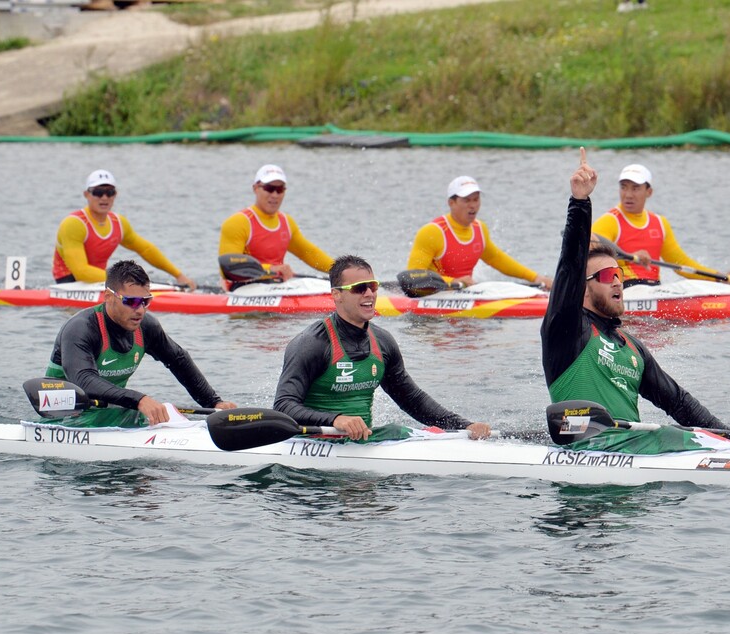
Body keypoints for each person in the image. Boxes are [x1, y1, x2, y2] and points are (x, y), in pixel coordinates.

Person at [541, 149, 730, 445]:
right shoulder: (567, 328)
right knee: (672, 436)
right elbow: (571, 262)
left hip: (632, 450)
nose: (617, 282)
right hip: (588, 445)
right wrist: (580, 201)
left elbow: (679, 403)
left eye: (619, 274)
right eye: (607, 276)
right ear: (581, 288)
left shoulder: (632, 348)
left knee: (685, 431)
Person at [274, 254, 492, 441]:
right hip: (315, 442)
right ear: (336, 294)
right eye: (359, 288)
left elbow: (412, 399)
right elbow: (283, 406)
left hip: (362, 443)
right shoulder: (311, 344)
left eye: (373, 286)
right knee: (396, 431)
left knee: (400, 431)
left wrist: (464, 425)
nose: (369, 294)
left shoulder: (382, 342)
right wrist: (336, 419)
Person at [45, 260, 237, 427]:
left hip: (115, 414)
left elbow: (179, 360)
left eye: (145, 301)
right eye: (131, 301)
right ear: (109, 297)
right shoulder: (81, 328)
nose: (140, 310)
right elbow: (83, 379)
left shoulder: (146, 327)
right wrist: (139, 400)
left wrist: (214, 403)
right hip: (67, 420)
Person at [589, 163, 730, 288]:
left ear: (649, 192)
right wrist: (630, 257)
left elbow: (681, 265)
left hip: (654, 290)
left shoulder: (660, 223)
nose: (628, 194)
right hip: (622, 288)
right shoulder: (610, 221)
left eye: (635, 188)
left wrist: (720, 277)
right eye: (624, 187)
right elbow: (590, 254)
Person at [53, 169, 197, 290]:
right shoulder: (74, 224)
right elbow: (80, 271)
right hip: (69, 283)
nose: (104, 197)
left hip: (100, 281)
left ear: (115, 195)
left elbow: (146, 249)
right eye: (98, 192)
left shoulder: (119, 223)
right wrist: (126, 282)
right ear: (86, 194)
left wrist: (179, 275)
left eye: (110, 192)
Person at [405, 176, 553, 290]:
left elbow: (497, 259)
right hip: (433, 293)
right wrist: (452, 281)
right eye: (467, 200)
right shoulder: (432, 232)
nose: (473, 206)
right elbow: (413, 276)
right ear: (452, 203)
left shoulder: (480, 229)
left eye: (476, 200)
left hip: (464, 293)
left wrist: (535, 278)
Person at [218, 164, 334, 285]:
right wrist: (271, 269)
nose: (274, 195)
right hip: (241, 286)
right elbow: (226, 269)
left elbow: (309, 253)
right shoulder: (237, 223)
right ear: (255, 188)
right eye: (269, 188)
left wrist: (339, 270)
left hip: (275, 285)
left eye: (280, 190)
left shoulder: (287, 222)